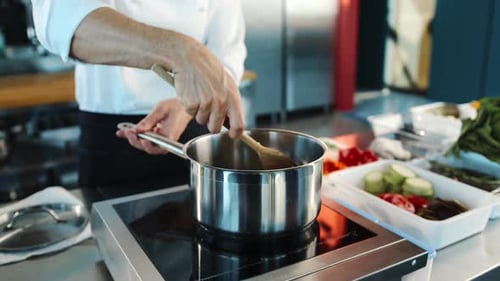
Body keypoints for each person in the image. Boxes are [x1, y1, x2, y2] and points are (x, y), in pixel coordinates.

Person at [30, 0, 247, 195]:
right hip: (112, 139)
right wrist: (180, 51)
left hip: (196, 130)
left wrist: (185, 106)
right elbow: (61, 19)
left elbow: (228, 50)